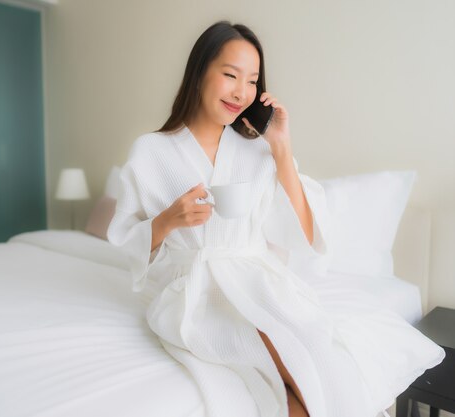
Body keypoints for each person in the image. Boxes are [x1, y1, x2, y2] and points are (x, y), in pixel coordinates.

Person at [106, 21, 445, 417]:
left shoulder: (257, 153)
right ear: (200, 72)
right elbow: (124, 240)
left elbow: (306, 232)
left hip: (258, 282)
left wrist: (282, 148)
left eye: (251, 81)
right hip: (194, 292)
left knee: (311, 358)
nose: (241, 91)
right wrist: (167, 220)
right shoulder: (151, 152)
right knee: (269, 365)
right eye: (230, 75)